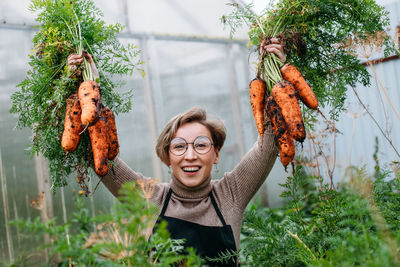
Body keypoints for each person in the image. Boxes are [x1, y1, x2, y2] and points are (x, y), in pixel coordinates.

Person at [68, 39, 285, 266]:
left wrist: (274, 73)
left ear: (216, 154)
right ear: (167, 156)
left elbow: (271, 141)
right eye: (179, 146)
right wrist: (85, 84)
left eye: (201, 145)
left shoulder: (231, 194)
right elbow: (100, 154)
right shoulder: (150, 199)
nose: (190, 155)